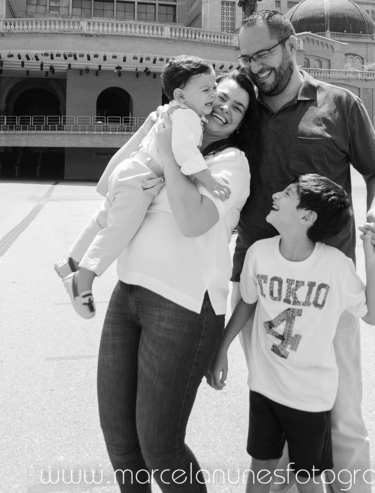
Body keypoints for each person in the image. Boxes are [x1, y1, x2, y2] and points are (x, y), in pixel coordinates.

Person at [235, 10, 375, 493]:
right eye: (246, 58)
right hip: (260, 286)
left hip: (329, 287)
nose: (255, 67)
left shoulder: (339, 104)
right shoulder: (243, 110)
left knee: (343, 415)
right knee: (276, 415)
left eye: (263, 54)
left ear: (292, 46)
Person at [85, 69, 260, 493]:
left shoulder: (230, 164)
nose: (224, 109)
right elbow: (108, 184)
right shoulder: (166, 136)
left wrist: (169, 152)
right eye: (219, 96)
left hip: (185, 308)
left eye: (237, 109)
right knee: (121, 442)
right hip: (128, 293)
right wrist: (152, 128)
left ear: (241, 124)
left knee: (160, 449)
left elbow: (191, 221)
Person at [209, 175, 375, 493]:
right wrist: (221, 349)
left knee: (308, 479)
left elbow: (373, 314)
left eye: (288, 193)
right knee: (261, 468)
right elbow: (247, 302)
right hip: (264, 390)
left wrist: (372, 257)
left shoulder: (334, 265)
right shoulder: (258, 253)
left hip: (310, 399)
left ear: (307, 217)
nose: (275, 194)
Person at [58, 56, 232, 319]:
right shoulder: (187, 117)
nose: (213, 94)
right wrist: (208, 178)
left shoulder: (172, 110)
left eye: (214, 87)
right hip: (143, 178)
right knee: (119, 229)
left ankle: (72, 261)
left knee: (104, 219)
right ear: (181, 95)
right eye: (206, 89)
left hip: (130, 168)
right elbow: (184, 151)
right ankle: (83, 277)